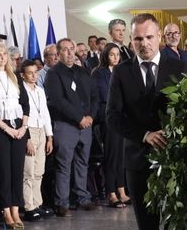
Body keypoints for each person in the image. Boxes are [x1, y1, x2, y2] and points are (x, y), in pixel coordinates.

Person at [107, 13, 187, 230]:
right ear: (131, 41)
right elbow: (113, 116)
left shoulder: (179, 67)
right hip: (138, 159)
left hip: (173, 160)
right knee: (147, 228)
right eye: (138, 38)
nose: (144, 43)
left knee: (176, 227)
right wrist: (145, 135)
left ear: (160, 36)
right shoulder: (121, 72)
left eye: (149, 37)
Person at [46, 37, 99, 216]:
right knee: (64, 164)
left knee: (82, 162)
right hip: (65, 125)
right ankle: (62, 203)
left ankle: (82, 198)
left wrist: (91, 116)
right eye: (65, 50)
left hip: (86, 126)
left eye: (71, 49)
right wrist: (79, 118)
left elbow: (94, 96)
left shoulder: (83, 71)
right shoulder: (53, 74)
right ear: (59, 53)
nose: (69, 53)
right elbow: (58, 101)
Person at [0, 42, 30, 229]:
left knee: (17, 171)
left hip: (19, 127)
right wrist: (7, 129)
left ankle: (16, 210)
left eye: (4, 54)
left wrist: (23, 127)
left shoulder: (15, 76)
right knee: (4, 171)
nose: (2, 57)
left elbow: (25, 104)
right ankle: (6, 211)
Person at [92, 43, 129, 207]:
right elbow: (102, 95)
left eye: (117, 54)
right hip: (108, 119)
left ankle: (122, 190)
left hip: (122, 118)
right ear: (105, 56)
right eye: (112, 54)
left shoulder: (121, 71)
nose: (115, 57)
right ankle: (111, 193)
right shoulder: (98, 73)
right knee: (111, 156)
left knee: (121, 156)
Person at [20, 60, 53, 220]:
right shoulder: (21, 91)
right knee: (29, 171)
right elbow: (21, 116)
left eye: (35, 72)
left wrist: (49, 136)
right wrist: (27, 138)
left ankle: (37, 203)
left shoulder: (39, 90)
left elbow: (45, 113)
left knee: (39, 170)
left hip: (41, 130)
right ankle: (28, 206)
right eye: (30, 73)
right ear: (23, 75)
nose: (34, 75)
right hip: (29, 130)